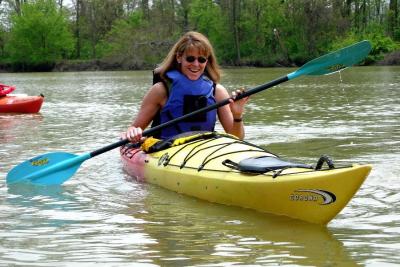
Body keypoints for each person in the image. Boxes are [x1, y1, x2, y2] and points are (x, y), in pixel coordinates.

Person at [125, 31, 249, 144]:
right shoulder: (161, 90)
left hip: (202, 150)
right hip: (165, 150)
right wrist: (133, 133)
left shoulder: (218, 92)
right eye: (190, 58)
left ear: (207, 61)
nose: (196, 64)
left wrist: (237, 115)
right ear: (179, 57)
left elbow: (237, 139)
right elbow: (134, 129)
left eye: (201, 60)